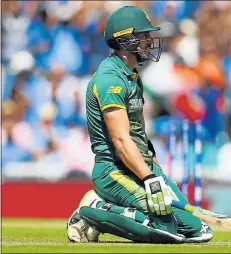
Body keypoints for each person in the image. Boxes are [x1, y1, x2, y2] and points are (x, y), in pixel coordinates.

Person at [66, 6, 213, 244]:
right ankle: (96, 208)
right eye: (144, 36)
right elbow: (122, 141)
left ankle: (118, 209)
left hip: (138, 165)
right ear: (125, 39)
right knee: (166, 232)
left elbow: (139, 132)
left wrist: (156, 169)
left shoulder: (133, 77)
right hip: (113, 170)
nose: (150, 41)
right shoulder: (110, 80)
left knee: (196, 229)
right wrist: (149, 178)